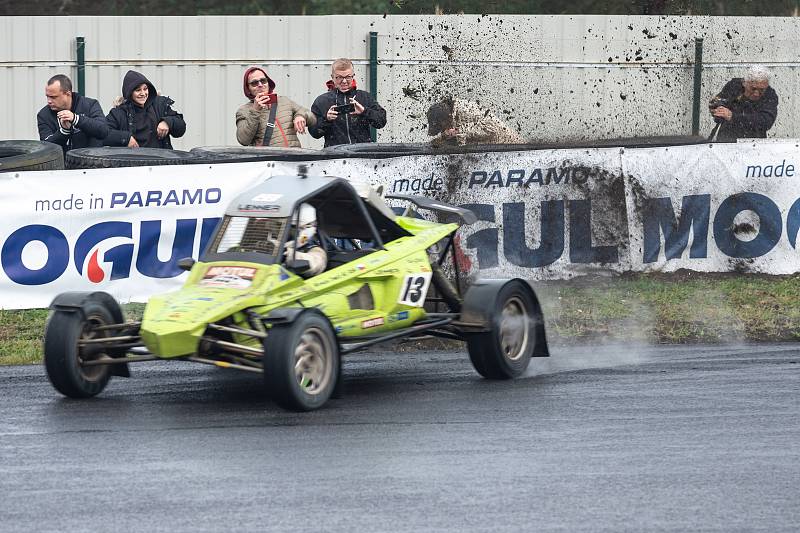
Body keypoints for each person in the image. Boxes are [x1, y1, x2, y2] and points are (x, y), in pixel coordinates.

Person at [309, 58, 387, 147]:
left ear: (353, 76)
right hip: (334, 156)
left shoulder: (364, 97)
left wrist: (364, 111)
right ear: (332, 78)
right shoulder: (322, 101)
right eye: (339, 77)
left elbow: (381, 122)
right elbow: (314, 133)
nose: (344, 81)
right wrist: (327, 120)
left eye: (348, 77)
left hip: (363, 155)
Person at [236, 66, 316, 148]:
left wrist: (301, 116)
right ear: (248, 89)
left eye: (263, 81)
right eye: (254, 83)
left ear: (268, 83)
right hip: (268, 159)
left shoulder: (284, 101)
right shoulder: (244, 111)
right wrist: (255, 111)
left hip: (293, 157)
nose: (260, 85)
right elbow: (243, 140)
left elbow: (312, 118)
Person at [104, 70, 186, 148]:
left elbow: (181, 128)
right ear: (129, 93)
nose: (143, 94)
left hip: (161, 160)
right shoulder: (119, 113)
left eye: (145, 89)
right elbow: (103, 133)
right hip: (131, 161)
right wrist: (125, 138)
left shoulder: (160, 105)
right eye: (138, 90)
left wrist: (168, 122)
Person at [36, 74, 108, 154]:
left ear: (68, 94)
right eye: (47, 96)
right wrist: (63, 131)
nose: (49, 101)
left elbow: (103, 130)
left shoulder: (90, 105)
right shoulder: (44, 115)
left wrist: (76, 119)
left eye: (53, 97)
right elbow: (47, 147)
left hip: (91, 162)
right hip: (62, 164)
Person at [709, 65, 778, 142]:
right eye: (753, 88)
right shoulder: (734, 86)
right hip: (727, 140)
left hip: (754, 142)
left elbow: (765, 122)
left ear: (766, 85)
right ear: (745, 83)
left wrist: (733, 117)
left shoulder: (769, 95)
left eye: (762, 90)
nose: (756, 93)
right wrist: (718, 109)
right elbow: (717, 102)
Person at [427, 97, 524, 147]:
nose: (442, 130)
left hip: (511, 148)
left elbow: (492, 130)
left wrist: (458, 132)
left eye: (442, 128)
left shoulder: (466, 110)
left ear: (449, 118)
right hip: (493, 152)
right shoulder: (449, 114)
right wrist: (442, 138)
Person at [283, 204, 327, 276]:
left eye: (293, 227)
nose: (287, 230)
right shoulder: (281, 243)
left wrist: (292, 255)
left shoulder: (316, 250)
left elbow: (315, 264)